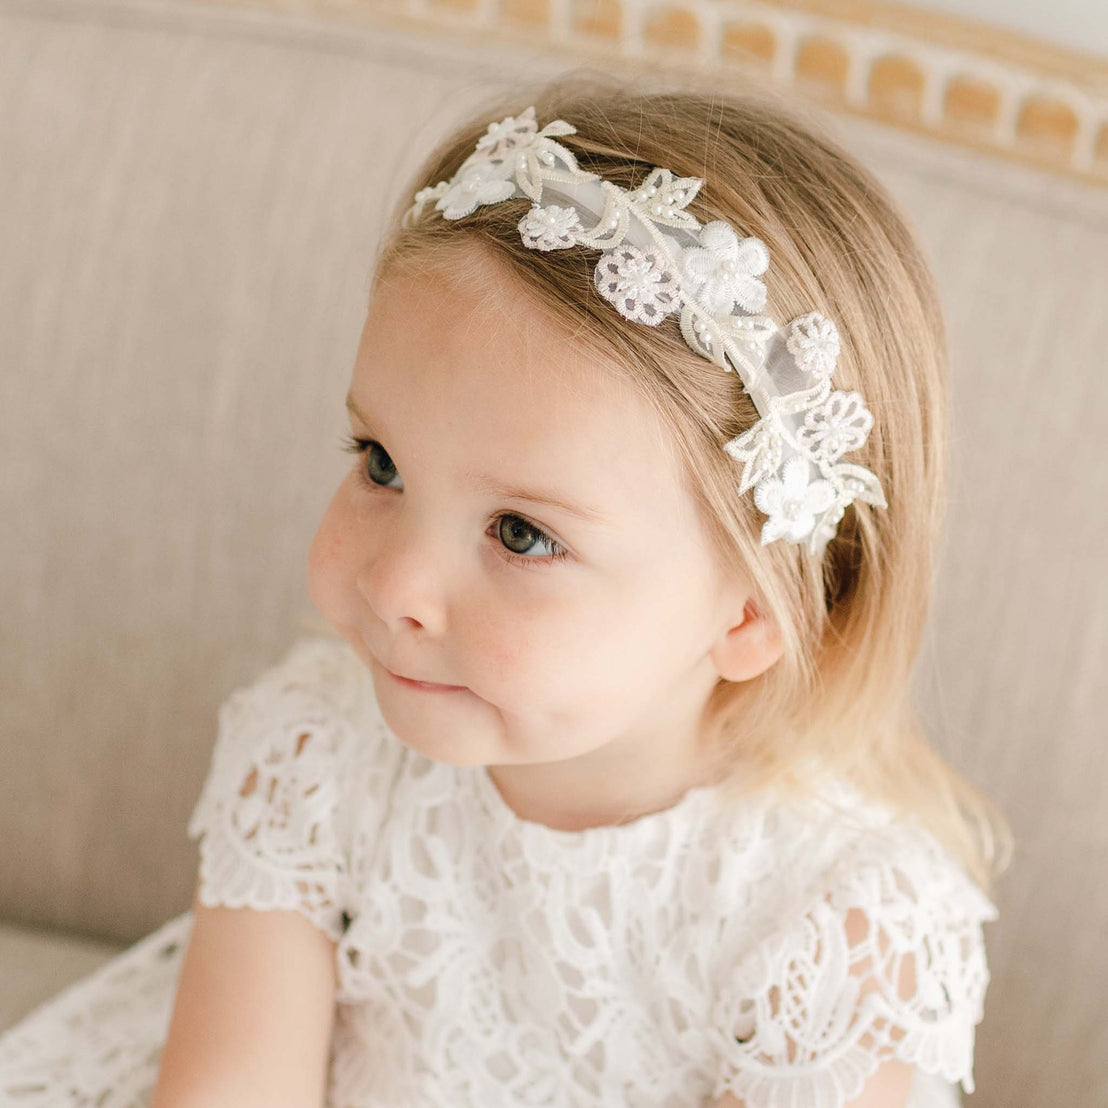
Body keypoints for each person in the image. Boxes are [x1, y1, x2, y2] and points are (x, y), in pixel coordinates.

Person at [0, 71, 1013, 1108]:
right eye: (380, 462)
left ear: (752, 612)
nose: (395, 583)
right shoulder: (320, 749)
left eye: (522, 533)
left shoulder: (835, 920)